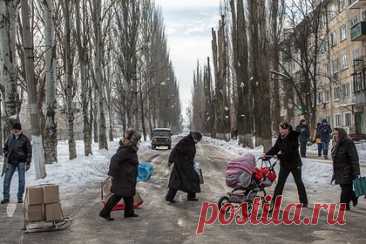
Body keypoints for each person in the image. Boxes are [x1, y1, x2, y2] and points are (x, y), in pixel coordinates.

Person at [99, 129, 141, 221]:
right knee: (118, 195)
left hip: (127, 177)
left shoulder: (129, 149)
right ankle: (104, 212)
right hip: (123, 177)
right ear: (133, 140)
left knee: (129, 194)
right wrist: (112, 174)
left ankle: (129, 212)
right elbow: (114, 160)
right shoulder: (126, 149)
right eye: (137, 140)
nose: (138, 142)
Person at [265, 122, 308, 207]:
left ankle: (304, 202)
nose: (281, 131)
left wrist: (279, 156)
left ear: (287, 129)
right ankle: (275, 201)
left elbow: (290, 150)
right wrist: (267, 155)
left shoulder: (293, 136)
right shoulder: (281, 137)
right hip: (285, 164)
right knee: (280, 183)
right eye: (280, 129)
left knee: (299, 182)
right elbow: (276, 148)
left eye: (283, 130)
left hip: (295, 164)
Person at [165, 131, 202, 203]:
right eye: (197, 140)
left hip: (188, 164)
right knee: (176, 182)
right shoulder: (185, 141)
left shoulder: (191, 141)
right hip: (180, 165)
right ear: (195, 137)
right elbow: (175, 150)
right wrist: (170, 161)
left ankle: (191, 196)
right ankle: (169, 197)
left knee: (193, 178)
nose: (197, 142)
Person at [2, 122, 32, 204]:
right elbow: (5, 148)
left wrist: (28, 163)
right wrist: (6, 154)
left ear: (20, 130)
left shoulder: (25, 139)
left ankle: (19, 197)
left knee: (21, 180)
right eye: (14, 130)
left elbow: (29, 151)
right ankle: (6, 197)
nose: (15, 131)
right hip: (11, 161)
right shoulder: (10, 137)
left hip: (21, 162)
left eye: (17, 130)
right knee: (6, 179)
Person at [331, 128, 360, 210]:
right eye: (334, 134)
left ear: (341, 134)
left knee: (345, 188)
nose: (335, 135)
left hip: (347, 169)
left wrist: (356, 171)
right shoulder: (336, 143)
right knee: (346, 188)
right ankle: (353, 197)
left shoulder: (348, 142)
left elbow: (354, 157)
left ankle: (343, 206)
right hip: (339, 170)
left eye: (336, 134)